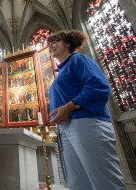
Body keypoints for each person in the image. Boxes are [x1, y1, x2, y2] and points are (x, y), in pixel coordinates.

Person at [47, 30, 127, 190]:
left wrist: (71, 106)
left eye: (55, 41)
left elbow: (100, 88)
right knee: (78, 184)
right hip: (67, 128)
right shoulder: (61, 70)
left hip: (88, 123)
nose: (50, 45)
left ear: (68, 43)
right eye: (49, 43)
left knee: (106, 183)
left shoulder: (78, 59)